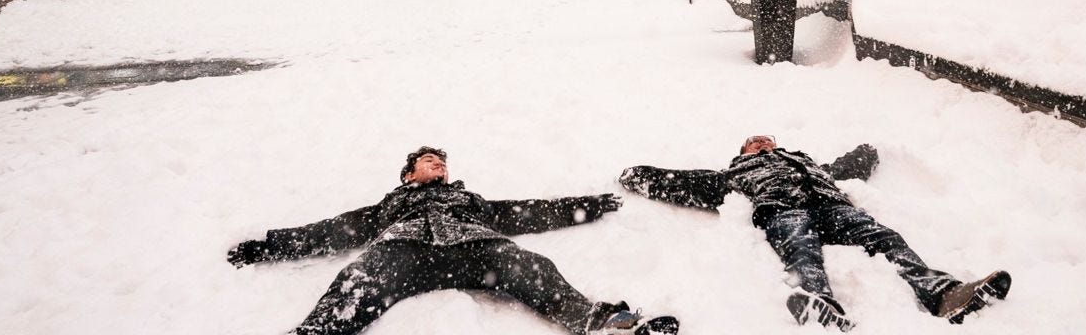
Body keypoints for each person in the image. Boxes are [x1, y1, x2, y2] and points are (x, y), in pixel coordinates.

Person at [227, 147, 677, 335]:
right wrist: (266, 246)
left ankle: (603, 323)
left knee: (531, 264)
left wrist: (589, 204)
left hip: (477, 250)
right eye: (428, 161)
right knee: (360, 277)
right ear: (408, 174)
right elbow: (331, 231)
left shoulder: (471, 201)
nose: (437, 164)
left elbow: (527, 211)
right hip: (405, 252)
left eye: (441, 161)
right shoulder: (388, 206)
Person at [619, 135, 1010, 331]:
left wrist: (867, 151)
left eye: (768, 138)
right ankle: (817, 301)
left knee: (885, 237)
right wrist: (636, 176)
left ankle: (944, 293)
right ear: (743, 153)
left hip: (835, 209)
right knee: (800, 248)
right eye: (755, 142)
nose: (764, 142)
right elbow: (683, 182)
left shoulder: (810, 164)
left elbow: (847, 166)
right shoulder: (734, 174)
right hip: (783, 210)